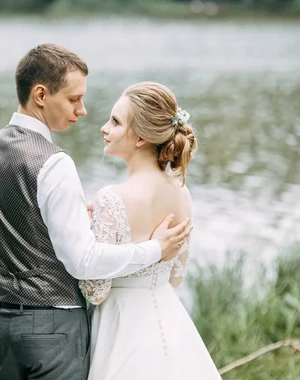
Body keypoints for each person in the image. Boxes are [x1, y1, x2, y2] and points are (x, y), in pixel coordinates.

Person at [0, 44, 192, 380]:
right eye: (74, 99)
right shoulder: (53, 162)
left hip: (2, 324)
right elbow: (83, 262)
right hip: (55, 328)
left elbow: (18, 225)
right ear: (41, 95)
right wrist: (155, 249)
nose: (83, 110)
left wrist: (78, 218)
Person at [79, 82, 221, 380]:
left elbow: (96, 291)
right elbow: (176, 275)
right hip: (169, 319)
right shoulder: (182, 193)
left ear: (141, 137)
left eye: (115, 122)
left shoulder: (111, 198)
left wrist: (85, 232)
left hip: (121, 327)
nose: (104, 128)